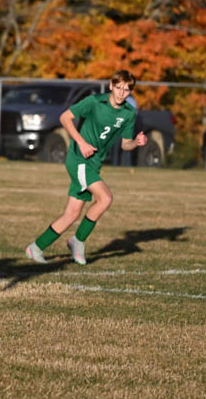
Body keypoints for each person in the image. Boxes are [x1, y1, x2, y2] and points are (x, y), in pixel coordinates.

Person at [25, 69, 147, 265]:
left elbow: (125, 144)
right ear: (111, 86)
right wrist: (81, 142)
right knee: (105, 198)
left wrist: (136, 143)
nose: (121, 93)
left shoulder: (128, 113)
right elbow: (65, 118)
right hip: (78, 159)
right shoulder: (94, 102)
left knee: (72, 214)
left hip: (94, 163)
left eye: (126, 90)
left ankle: (36, 247)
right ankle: (78, 241)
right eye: (118, 88)